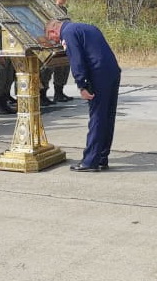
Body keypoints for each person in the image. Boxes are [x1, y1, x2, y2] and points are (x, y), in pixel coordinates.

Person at [45, 19, 121, 172]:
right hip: (112, 71)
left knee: (97, 118)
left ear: (53, 31)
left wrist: (82, 84)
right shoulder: (85, 27)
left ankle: (90, 161)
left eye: (52, 39)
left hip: (98, 75)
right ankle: (101, 158)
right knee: (107, 116)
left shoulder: (68, 33)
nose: (56, 42)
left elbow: (76, 60)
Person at [38, 0, 57, 106]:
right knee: (42, 71)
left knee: (48, 70)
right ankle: (39, 95)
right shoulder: (38, 7)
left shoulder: (52, 8)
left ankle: (44, 94)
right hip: (41, 43)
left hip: (50, 42)